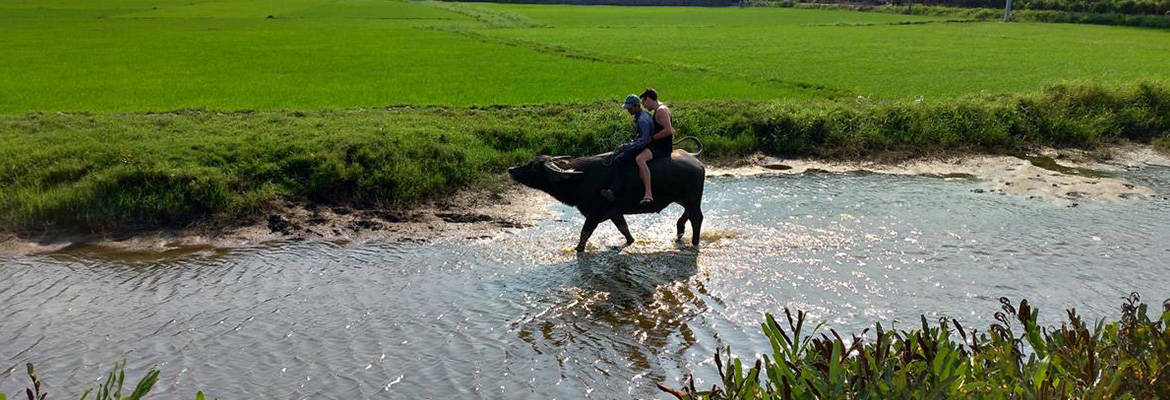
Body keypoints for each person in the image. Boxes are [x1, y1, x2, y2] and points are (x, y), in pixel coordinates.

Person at [600, 94, 654, 203]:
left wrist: (627, 146)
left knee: (619, 160)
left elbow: (644, 141)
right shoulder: (642, 115)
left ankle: (615, 190)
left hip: (645, 146)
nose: (628, 110)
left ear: (637, 106)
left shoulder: (642, 120)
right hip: (643, 143)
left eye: (630, 108)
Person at [634, 88, 674, 204]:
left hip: (661, 147)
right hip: (659, 144)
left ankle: (648, 193)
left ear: (649, 99)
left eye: (644, 102)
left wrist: (651, 138)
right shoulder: (662, 109)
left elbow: (669, 130)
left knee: (640, 159)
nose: (644, 106)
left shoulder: (661, 110)